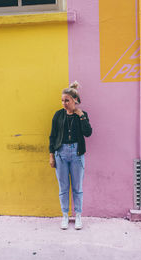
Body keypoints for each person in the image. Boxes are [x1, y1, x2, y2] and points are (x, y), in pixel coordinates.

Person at [49, 81, 92, 230]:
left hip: (76, 154)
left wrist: (81, 117)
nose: (64, 103)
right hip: (60, 154)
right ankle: (65, 216)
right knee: (63, 187)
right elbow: (52, 136)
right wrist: (51, 156)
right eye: (62, 100)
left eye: (67, 100)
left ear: (75, 100)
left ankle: (78, 215)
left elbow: (88, 133)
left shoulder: (82, 115)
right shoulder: (58, 115)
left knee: (77, 187)